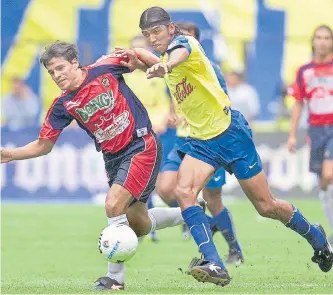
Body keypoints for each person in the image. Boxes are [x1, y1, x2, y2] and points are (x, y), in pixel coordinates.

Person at [117, 7, 333, 287]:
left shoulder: (185, 45)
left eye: (156, 32)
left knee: (266, 206)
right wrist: (133, 59)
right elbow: (153, 60)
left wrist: (164, 65)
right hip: (203, 141)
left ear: (171, 28)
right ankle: (214, 262)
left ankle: (316, 236)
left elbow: (176, 56)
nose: (152, 38)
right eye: (147, 35)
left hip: (231, 134)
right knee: (184, 191)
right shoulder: (163, 56)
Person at [0, 41, 189, 291]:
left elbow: (145, 63)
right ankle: (193, 216)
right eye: (51, 72)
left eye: (60, 68)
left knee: (113, 204)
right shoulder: (63, 104)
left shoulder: (105, 67)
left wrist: (145, 62)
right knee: (139, 224)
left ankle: (115, 279)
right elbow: (43, 145)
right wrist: (10, 154)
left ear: (75, 62)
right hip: (112, 158)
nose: (57, 75)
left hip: (141, 145)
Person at [156, 22, 244, 264]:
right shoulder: (171, 70)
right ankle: (196, 218)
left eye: (188, 38)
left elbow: (222, 101)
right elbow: (176, 97)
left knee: (214, 199)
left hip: (208, 140)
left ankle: (234, 248)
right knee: (164, 188)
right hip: (184, 140)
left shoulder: (209, 69)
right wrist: (172, 113)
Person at [287, 25, 333, 244]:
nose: (323, 42)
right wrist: (292, 135)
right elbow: (298, 103)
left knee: (329, 174)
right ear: (313, 41)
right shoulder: (304, 71)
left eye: (327, 38)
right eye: (319, 38)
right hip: (315, 130)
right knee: (323, 183)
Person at [124, 35, 170, 242]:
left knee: (156, 182)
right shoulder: (124, 75)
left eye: (142, 50)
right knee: (138, 181)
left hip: (154, 129)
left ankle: (147, 225)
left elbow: (164, 101)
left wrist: (160, 120)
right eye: (135, 49)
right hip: (131, 131)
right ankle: (142, 225)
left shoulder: (156, 74)